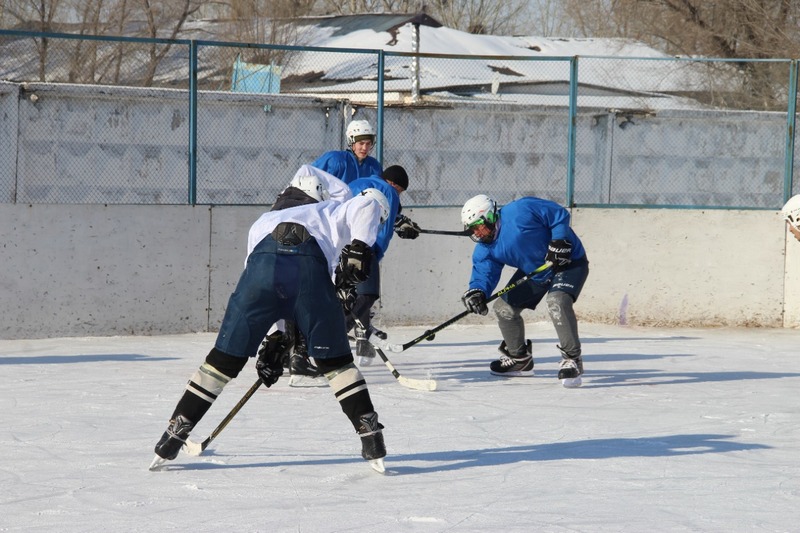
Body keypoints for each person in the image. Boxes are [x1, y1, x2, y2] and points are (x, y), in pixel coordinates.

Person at [151, 178, 394, 472]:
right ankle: (371, 438)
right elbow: (367, 203)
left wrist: (276, 337)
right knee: (337, 364)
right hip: (308, 266)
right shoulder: (333, 209)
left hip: (261, 273)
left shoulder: (264, 220)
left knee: (223, 361)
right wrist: (360, 246)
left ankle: (173, 436)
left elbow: (261, 280)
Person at [459, 194, 590, 388]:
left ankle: (572, 359)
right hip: (536, 272)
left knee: (557, 301)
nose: (477, 233)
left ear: (491, 216)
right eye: (473, 229)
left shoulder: (521, 209)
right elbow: (484, 272)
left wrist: (559, 241)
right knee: (503, 309)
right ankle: (520, 359)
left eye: (479, 225)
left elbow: (557, 213)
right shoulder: (485, 248)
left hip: (568, 262)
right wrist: (478, 291)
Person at [346, 165, 410, 364]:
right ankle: (332, 338)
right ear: (393, 184)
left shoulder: (356, 183)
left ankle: (363, 342)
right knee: (367, 295)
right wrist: (376, 254)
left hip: (339, 245)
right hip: (364, 247)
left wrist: (402, 222)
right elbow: (384, 229)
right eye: (400, 191)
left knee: (350, 296)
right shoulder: (389, 191)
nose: (398, 195)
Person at [312, 119, 383, 184]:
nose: (365, 148)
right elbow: (310, 176)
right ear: (351, 143)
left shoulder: (374, 166)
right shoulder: (335, 160)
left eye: (368, 144)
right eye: (361, 143)